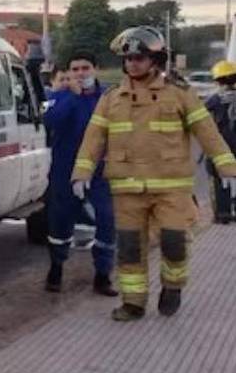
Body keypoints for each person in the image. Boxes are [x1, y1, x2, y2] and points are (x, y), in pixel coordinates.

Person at [72, 27, 236, 320]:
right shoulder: (111, 98)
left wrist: (228, 167)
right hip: (127, 188)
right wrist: (81, 173)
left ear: (155, 60)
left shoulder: (180, 94)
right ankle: (133, 302)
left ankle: (172, 286)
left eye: (139, 58)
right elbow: (93, 138)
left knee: (175, 243)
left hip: (171, 187)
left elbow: (207, 132)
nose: (133, 63)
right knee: (130, 248)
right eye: (128, 59)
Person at [43, 51, 117, 294]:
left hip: (100, 170)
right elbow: (50, 120)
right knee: (61, 220)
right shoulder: (60, 96)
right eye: (75, 70)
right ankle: (56, 268)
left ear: (96, 69)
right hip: (64, 170)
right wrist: (72, 96)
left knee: (106, 219)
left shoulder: (108, 97)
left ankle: (103, 275)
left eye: (85, 68)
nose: (80, 74)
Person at [206, 59, 236, 223]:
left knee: (217, 179)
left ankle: (222, 213)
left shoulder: (214, 99)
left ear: (217, 80)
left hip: (220, 146)